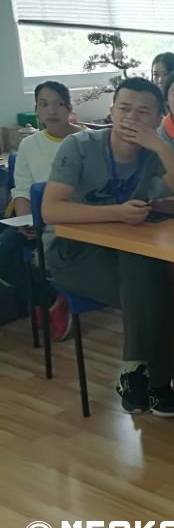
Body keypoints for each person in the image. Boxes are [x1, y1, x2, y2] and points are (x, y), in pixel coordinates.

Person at [42, 77, 174, 417]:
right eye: (124, 109)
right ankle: (157, 386)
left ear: (158, 118)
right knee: (154, 291)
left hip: (125, 249)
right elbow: (51, 210)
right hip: (72, 251)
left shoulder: (151, 152)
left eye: (143, 112)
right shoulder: (79, 146)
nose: (131, 118)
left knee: (146, 267)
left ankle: (135, 377)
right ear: (111, 111)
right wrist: (115, 212)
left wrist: (161, 147)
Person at [0, 81, 84, 340]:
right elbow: (22, 189)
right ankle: (49, 300)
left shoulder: (86, 140)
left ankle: (45, 300)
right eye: (44, 104)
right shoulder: (29, 144)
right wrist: (27, 221)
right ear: (36, 109)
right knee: (3, 251)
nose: (51, 111)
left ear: (69, 108)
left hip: (74, 219)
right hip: (37, 220)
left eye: (58, 104)